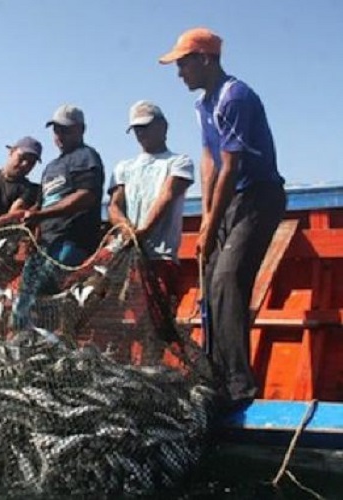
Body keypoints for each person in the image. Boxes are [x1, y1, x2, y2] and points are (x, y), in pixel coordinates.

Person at [159, 28, 286, 409]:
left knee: (229, 278)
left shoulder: (236, 97)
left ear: (206, 59)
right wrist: (207, 218)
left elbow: (232, 166)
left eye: (184, 63)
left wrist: (211, 226)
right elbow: (210, 162)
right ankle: (214, 375)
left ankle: (238, 387)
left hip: (259, 197)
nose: (179, 72)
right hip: (230, 201)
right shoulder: (203, 106)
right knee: (211, 280)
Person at [13, 104, 105, 329]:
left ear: (81, 129)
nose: (59, 135)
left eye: (65, 130)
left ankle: (47, 346)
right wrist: (33, 233)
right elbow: (42, 203)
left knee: (43, 295)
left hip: (71, 242)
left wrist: (43, 214)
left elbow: (86, 197)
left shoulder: (86, 157)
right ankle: (21, 345)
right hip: (44, 244)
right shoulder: (51, 167)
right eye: (56, 130)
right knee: (23, 299)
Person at [107, 100, 194, 303]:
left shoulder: (179, 162)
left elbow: (168, 195)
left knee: (158, 319)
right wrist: (125, 228)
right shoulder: (123, 167)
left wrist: (142, 231)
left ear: (163, 126)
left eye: (145, 126)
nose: (141, 133)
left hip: (159, 257)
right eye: (136, 128)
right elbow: (114, 205)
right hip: (124, 256)